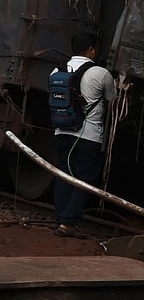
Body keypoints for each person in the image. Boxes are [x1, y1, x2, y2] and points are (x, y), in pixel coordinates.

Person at [52, 30, 116, 236]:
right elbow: (111, 98)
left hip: (61, 131)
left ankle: (61, 216)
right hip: (88, 135)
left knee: (64, 175)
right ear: (90, 49)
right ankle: (68, 223)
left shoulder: (57, 70)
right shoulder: (100, 73)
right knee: (85, 179)